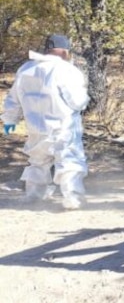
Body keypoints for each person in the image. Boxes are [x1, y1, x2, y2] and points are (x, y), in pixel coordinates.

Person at [1, 34, 90, 209]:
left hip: (35, 127)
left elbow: (13, 99)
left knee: (37, 161)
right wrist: (85, 102)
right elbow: (77, 101)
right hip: (63, 127)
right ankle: (73, 197)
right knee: (69, 160)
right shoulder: (67, 70)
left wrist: (9, 120)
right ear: (65, 51)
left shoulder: (25, 69)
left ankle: (34, 195)